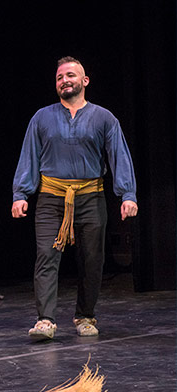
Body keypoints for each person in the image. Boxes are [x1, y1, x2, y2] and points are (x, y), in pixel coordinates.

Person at [12, 56, 138, 340]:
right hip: (50, 197)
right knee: (46, 255)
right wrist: (20, 193)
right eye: (59, 77)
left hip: (90, 196)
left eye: (70, 75)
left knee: (92, 259)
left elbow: (118, 155)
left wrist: (127, 194)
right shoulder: (42, 117)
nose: (65, 81)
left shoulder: (104, 117)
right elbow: (29, 156)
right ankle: (45, 320)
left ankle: (85, 315)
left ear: (84, 81)